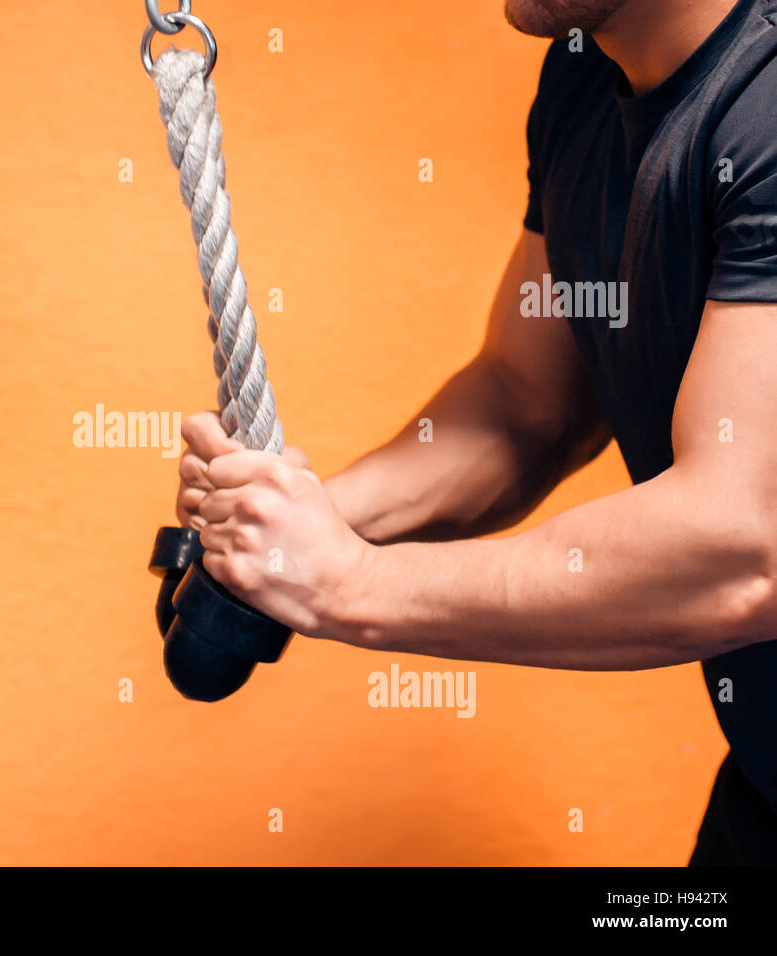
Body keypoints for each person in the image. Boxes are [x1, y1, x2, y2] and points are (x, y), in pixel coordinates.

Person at [177, 0, 777, 865]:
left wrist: (345, 583)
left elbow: (739, 546)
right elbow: (524, 402)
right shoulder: (581, 74)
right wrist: (298, 520)